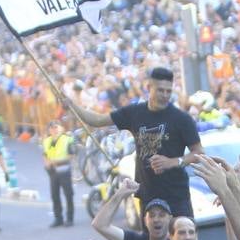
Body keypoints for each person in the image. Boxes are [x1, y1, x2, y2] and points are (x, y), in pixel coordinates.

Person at [73, 67, 203, 218]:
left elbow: (199, 152)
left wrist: (173, 161)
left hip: (176, 196)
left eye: (168, 91)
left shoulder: (181, 118)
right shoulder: (134, 112)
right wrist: (72, 105)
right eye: (160, 90)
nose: (165, 95)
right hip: (148, 195)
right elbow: (97, 120)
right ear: (148, 87)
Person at [91, 182, 172, 240]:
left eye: (161, 215)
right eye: (151, 215)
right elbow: (99, 224)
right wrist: (120, 194)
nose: (156, 220)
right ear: (145, 221)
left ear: (170, 219)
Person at [41, 119, 75, 227]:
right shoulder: (47, 141)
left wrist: (56, 161)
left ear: (61, 128)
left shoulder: (67, 140)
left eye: (56, 127)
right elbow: (45, 155)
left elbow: (71, 156)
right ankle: (58, 218)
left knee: (68, 195)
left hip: (64, 169)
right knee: (54, 195)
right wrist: (46, 163)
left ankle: (69, 218)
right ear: (49, 130)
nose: (54, 130)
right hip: (52, 171)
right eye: (52, 128)